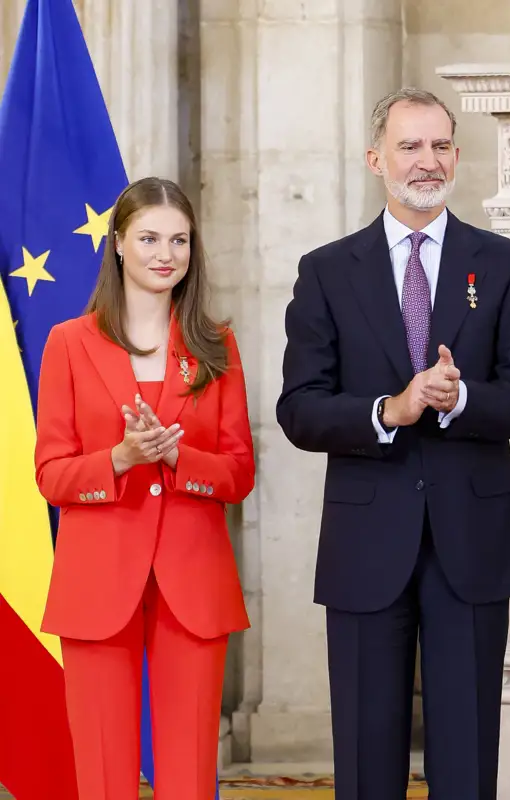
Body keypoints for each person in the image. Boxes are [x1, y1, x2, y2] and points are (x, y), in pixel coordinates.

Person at [276, 87, 510, 800]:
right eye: (409, 146)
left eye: (439, 146)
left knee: (466, 763)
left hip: (473, 540)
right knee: (369, 764)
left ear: (457, 156)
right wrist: (389, 410)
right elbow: (300, 410)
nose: (426, 161)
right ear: (377, 159)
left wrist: (460, 398)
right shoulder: (327, 271)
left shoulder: (502, 263)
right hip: (367, 542)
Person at [34, 177, 255, 800]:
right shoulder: (69, 345)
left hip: (193, 580)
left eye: (180, 240)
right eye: (151, 238)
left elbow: (239, 472)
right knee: (103, 771)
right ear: (119, 245)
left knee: (188, 773)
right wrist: (120, 459)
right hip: (97, 581)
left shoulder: (217, 345)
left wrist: (180, 456)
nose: (167, 253)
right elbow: (51, 474)